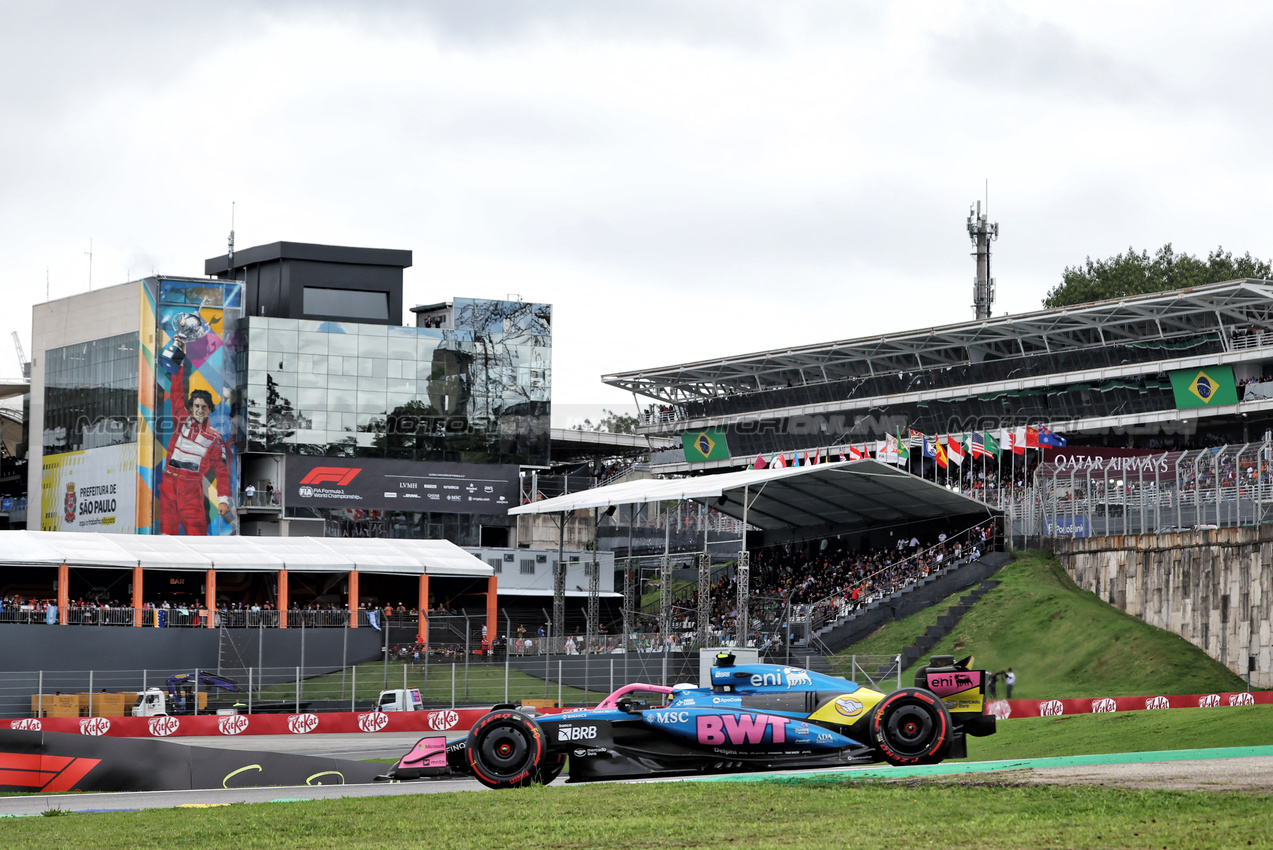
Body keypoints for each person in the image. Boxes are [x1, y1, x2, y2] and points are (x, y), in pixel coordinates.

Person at [159, 354, 231, 535]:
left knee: (197, 537)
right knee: (166, 536)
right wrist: (180, 359)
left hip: (191, 488)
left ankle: (201, 564)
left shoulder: (214, 438)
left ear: (210, 410)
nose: (200, 410)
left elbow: (221, 471)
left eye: (204, 407)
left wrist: (223, 500)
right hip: (168, 483)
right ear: (191, 408)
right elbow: (176, 391)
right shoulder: (182, 420)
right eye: (197, 406)